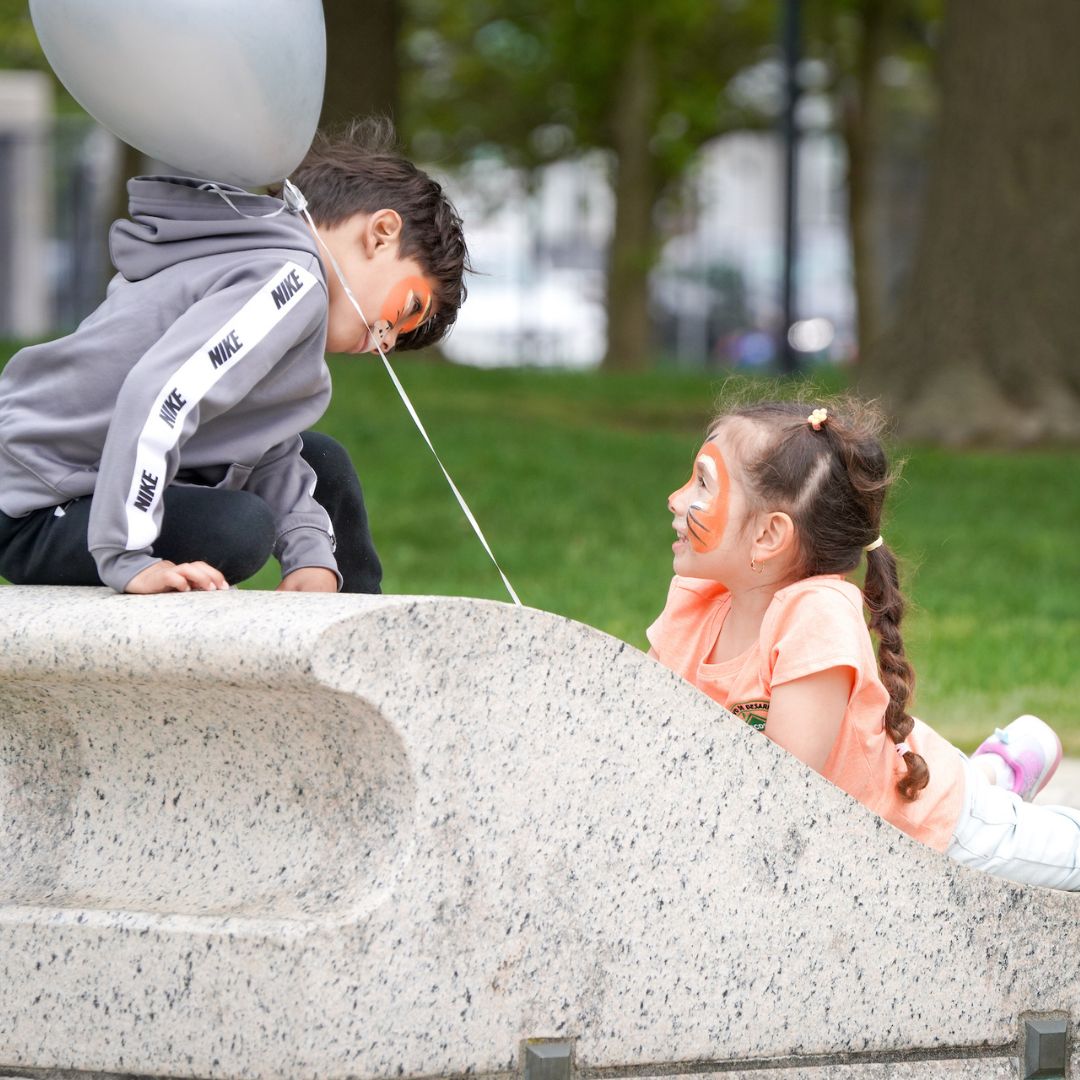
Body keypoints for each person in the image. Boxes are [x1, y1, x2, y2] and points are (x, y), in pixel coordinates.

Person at [0, 117, 467, 595]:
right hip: (36, 502)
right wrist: (127, 557)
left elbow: (258, 439)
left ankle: (348, 632)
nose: (386, 342)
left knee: (321, 460)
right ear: (382, 233)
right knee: (237, 530)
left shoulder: (271, 276)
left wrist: (311, 557)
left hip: (95, 484)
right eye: (407, 310)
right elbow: (161, 396)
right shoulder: (292, 277)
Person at [648, 397, 1080, 890]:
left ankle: (992, 781)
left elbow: (782, 795)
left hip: (932, 825)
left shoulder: (814, 615)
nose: (676, 498)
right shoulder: (695, 601)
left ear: (769, 535)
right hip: (897, 781)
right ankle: (1002, 768)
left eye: (703, 482)